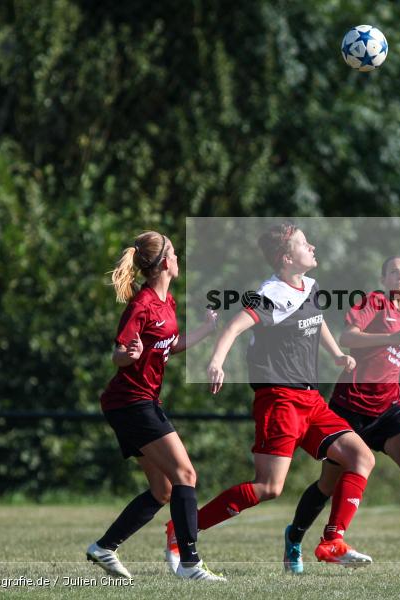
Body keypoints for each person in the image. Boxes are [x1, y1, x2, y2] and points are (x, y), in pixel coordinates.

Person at [164, 222, 376, 572]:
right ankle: (183, 528)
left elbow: (317, 319)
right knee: (268, 487)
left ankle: (332, 541)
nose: (312, 247)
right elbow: (234, 326)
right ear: (286, 258)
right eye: (304, 244)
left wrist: (337, 354)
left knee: (361, 457)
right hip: (280, 400)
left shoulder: (309, 286)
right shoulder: (271, 294)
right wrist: (216, 363)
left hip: (311, 401)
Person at [282, 256, 400, 574]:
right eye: (393, 271)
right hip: (350, 406)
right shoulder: (375, 302)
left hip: (388, 408)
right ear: (384, 279)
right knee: (328, 483)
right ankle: (294, 537)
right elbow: (347, 338)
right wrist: (389, 338)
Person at [85, 231, 224, 582]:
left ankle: (104, 547)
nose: (178, 258)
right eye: (173, 253)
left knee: (163, 490)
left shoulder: (167, 302)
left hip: (139, 402)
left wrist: (207, 329)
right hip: (130, 402)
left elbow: (170, 345)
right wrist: (127, 355)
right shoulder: (142, 305)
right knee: (186, 475)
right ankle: (190, 564)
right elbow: (118, 353)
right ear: (163, 264)